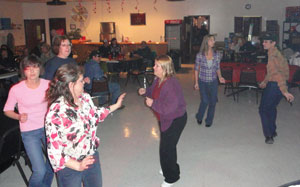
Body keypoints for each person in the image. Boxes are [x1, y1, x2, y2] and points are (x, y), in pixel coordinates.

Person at [45, 63, 125, 187]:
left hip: (90, 156)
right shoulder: (56, 111)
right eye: (81, 81)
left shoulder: (85, 98)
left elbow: (95, 114)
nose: (85, 83)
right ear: (71, 85)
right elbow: (54, 152)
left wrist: (115, 106)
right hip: (69, 166)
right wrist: (78, 165)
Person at [3, 55, 54, 187]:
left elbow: (56, 102)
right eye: (28, 68)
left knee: (53, 164)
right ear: (23, 71)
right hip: (29, 132)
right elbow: (7, 110)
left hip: (48, 128)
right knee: (39, 170)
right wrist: (19, 116)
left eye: (35, 67)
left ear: (40, 69)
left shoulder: (48, 84)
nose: (32, 71)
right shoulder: (16, 89)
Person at [138, 55, 187, 187]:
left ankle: (172, 177)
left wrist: (153, 103)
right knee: (168, 146)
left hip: (175, 119)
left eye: (156, 65)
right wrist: (145, 92)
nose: (153, 67)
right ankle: (168, 168)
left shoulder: (171, 85)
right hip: (166, 118)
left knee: (166, 148)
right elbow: (152, 91)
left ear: (164, 68)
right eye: (154, 64)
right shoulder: (158, 79)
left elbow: (169, 108)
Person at [259, 33, 294, 144]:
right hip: (278, 84)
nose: (263, 43)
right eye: (263, 41)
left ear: (273, 43)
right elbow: (271, 72)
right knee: (272, 107)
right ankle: (273, 131)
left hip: (276, 85)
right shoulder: (276, 53)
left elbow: (278, 74)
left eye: (266, 41)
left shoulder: (273, 55)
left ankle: (269, 135)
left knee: (263, 109)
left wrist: (284, 91)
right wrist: (265, 82)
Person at [194, 34, 225, 127]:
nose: (214, 42)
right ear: (206, 42)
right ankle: (199, 116)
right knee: (205, 101)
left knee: (213, 102)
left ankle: (209, 121)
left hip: (213, 81)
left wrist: (220, 77)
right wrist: (196, 82)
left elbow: (217, 68)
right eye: (212, 40)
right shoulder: (200, 55)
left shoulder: (217, 55)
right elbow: (196, 69)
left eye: (214, 40)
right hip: (202, 81)